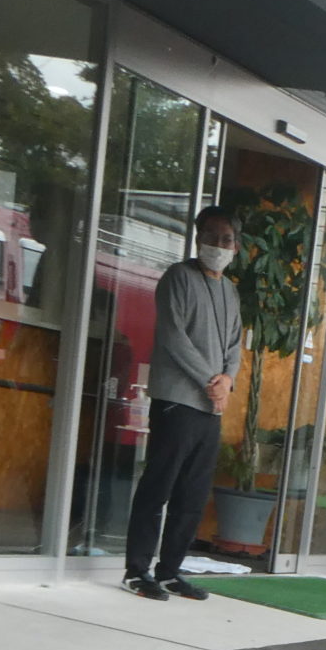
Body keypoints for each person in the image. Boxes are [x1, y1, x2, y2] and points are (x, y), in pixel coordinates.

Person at [123, 208, 242, 602]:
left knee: (192, 494)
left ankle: (171, 572)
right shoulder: (178, 277)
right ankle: (137, 571)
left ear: (236, 246)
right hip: (177, 401)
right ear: (198, 239)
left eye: (226, 239)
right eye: (211, 237)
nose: (218, 246)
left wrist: (228, 380)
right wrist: (213, 381)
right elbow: (173, 336)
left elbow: (235, 347)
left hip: (211, 408)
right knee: (158, 487)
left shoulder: (230, 290)